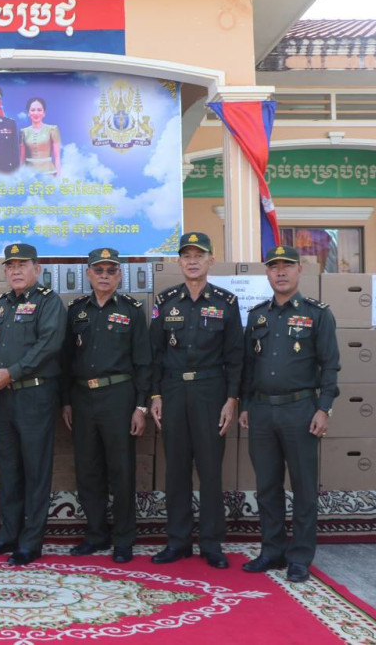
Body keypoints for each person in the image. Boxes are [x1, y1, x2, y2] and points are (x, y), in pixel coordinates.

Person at [239, 245, 340, 583]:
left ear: (300, 270)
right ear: (267, 273)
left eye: (287, 266)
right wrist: (246, 405)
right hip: (261, 411)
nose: (280, 272)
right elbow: (248, 366)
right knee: (267, 486)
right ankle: (272, 550)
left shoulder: (317, 314)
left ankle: (299, 557)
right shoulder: (257, 315)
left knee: (303, 487)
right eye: (274, 267)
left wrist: (324, 408)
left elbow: (330, 366)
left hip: (301, 410)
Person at [149, 232, 242, 569]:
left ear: (210, 261)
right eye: (186, 256)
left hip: (210, 393)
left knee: (210, 470)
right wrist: (155, 395)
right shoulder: (165, 301)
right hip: (173, 392)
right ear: (179, 262)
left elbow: (236, 355)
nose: (192, 261)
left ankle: (211, 543)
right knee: (176, 470)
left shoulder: (226, 302)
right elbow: (154, 353)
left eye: (198, 255)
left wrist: (232, 399)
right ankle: (178, 541)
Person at [61, 248, 151, 564]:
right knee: (88, 470)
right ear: (88, 274)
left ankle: (124, 539)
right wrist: (66, 401)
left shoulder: (132, 310)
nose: (104, 276)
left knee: (121, 470)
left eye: (111, 270)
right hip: (82, 398)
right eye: (98, 270)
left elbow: (144, 362)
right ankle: (96, 534)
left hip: (119, 397)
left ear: (119, 275)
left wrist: (140, 407)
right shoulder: (76, 311)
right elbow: (65, 360)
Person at [0, 243, 65, 566]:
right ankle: (8, 535)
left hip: (35, 396)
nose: (15, 271)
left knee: (35, 470)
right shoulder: (1, 305)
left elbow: (48, 345)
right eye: (10, 266)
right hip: (3, 397)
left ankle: (30, 542)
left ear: (36, 269)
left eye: (22, 265)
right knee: (9, 468)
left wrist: (12, 373)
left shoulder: (48, 302)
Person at [20, 97, 62, 176]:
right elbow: (22, 158)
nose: (36, 113)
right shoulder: (23, 132)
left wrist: (59, 177)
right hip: (29, 175)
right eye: (33, 110)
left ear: (44, 113)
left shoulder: (52, 129)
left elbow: (57, 157)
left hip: (49, 173)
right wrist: (20, 176)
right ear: (28, 113)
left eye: (39, 110)